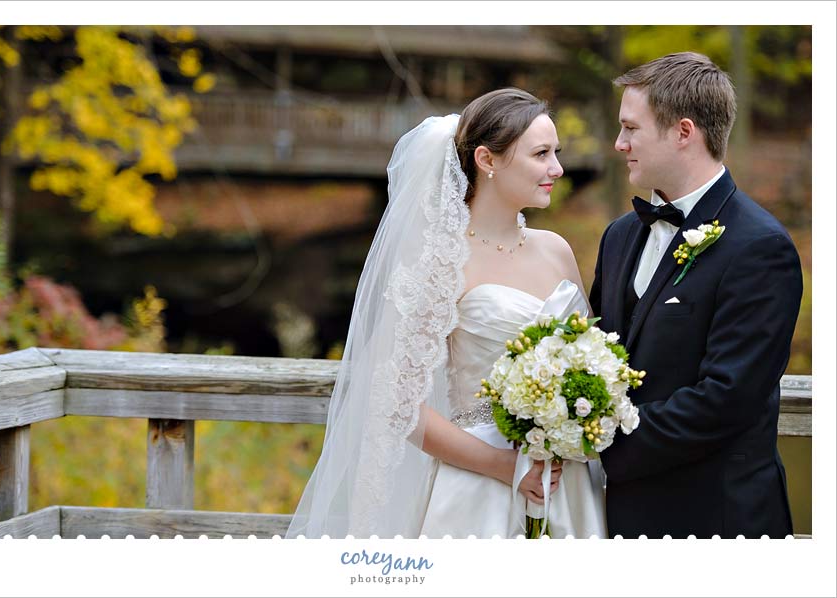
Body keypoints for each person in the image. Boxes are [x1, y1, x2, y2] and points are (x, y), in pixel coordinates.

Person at [287, 88, 606, 539]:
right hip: (479, 487)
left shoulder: (557, 250)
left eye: (556, 152)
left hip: (569, 483)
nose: (557, 168)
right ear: (487, 160)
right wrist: (504, 466)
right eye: (540, 154)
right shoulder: (438, 264)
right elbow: (397, 401)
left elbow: (595, 360)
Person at [590, 52, 803, 538]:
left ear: (683, 132)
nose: (619, 143)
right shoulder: (620, 236)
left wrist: (600, 444)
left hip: (718, 522)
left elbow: (727, 398)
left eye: (631, 129)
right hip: (619, 518)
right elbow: (596, 353)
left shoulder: (760, 247)